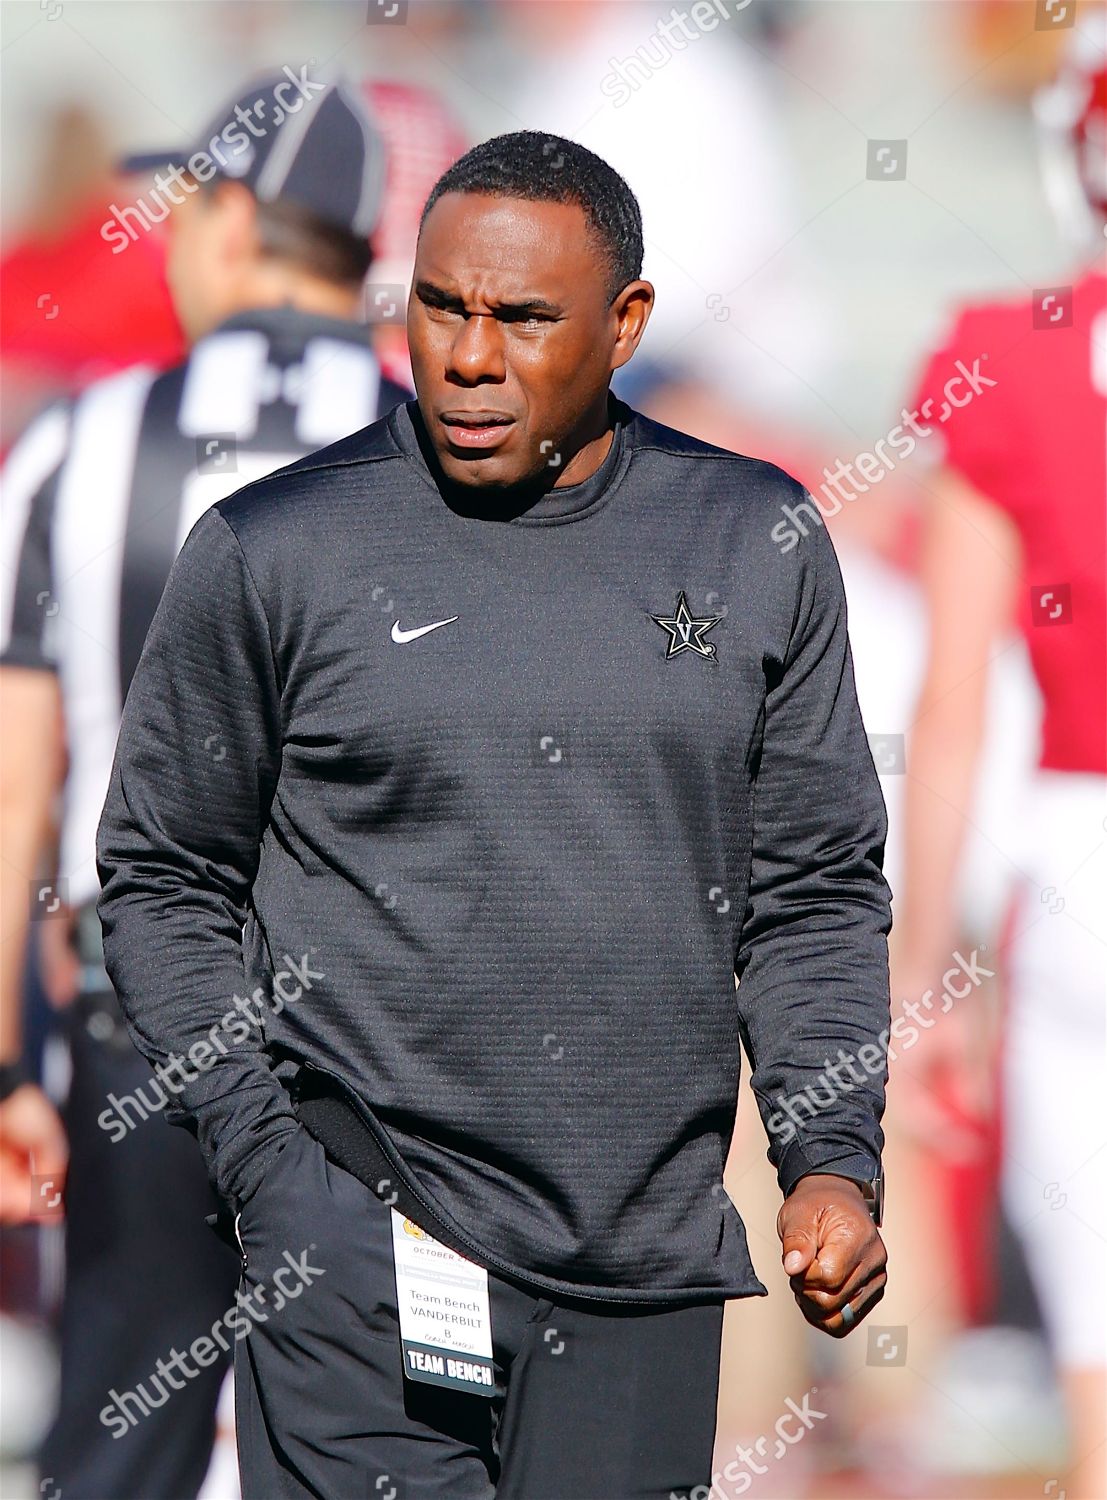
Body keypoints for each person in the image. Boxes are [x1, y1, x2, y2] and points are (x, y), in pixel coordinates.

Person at [96, 130, 892, 1500]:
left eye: (523, 317)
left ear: (626, 324)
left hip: (640, 1269)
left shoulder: (754, 542)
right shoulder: (276, 548)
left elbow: (816, 888)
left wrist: (833, 1161)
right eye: (441, 306)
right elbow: (161, 882)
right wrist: (272, 1171)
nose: (469, 356)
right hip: (368, 1244)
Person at [0, 70, 408, 1500]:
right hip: (398, 1039)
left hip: (148, 1024)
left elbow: (15, 790)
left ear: (234, 221)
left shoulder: (83, 439)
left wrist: (6, 1057)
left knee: (122, 1438)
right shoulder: (466, 440)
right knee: (383, 1443)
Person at [895, 12, 1106, 1496]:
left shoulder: (1015, 360)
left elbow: (954, 708)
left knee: (1099, 1312)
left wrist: (921, 977)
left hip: (1076, 864)